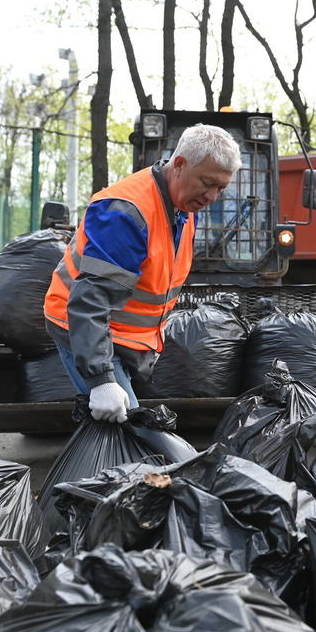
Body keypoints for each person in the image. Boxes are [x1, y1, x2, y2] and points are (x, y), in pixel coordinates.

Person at [43, 123, 242, 423]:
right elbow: (90, 301)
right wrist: (101, 380)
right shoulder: (126, 212)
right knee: (127, 440)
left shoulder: (183, 211)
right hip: (85, 331)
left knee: (126, 434)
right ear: (178, 165)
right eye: (207, 182)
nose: (212, 196)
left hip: (123, 339)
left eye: (221, 188)